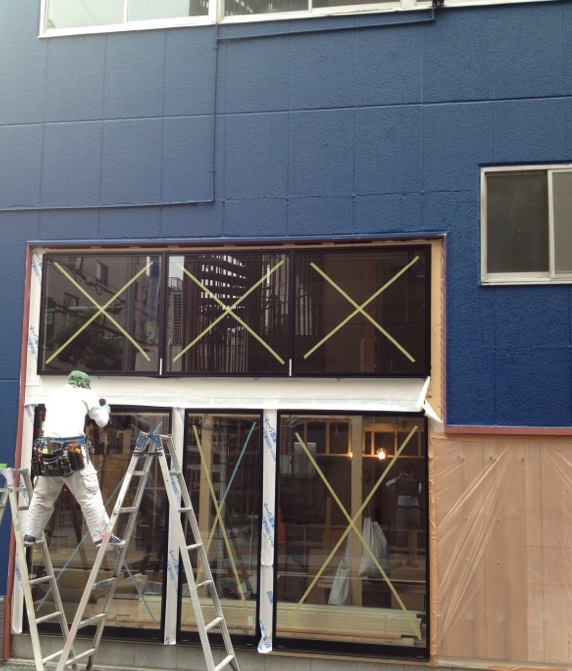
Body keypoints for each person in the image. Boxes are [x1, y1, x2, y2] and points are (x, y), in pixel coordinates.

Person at [23, 370, 125, 550]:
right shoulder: (87, 393)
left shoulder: (54, 394)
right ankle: (103, 538)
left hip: (47, 449)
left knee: (42, 496)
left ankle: (30, 534)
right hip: (72, 450)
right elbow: (102, 422)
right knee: (89, 495)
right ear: (85, 384)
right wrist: (105, 409)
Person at [385, 463, 421, 567]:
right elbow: (388, 485)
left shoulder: (417, 483)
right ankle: (399, 560)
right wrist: (399, 478)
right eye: (407, 473)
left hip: (413, 509)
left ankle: (411, 560)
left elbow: (417, 491)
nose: (409, 475)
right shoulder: (399, 482)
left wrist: (409, 481)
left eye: (410, 473)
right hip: (401, 509)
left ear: (414, 474)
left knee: (413, 535)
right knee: (400, 534)